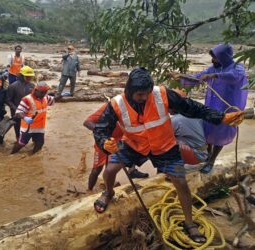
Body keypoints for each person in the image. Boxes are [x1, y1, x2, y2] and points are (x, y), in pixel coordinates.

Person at [93, 67, 244, 243]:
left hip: (164, 146)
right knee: (110, 171)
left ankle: (189, 223)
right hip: (134, 145)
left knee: (181, 182)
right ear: (129, 90)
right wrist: (104, 143)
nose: (145, 98)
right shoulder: (115, 104)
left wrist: (220, 118)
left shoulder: (162, 94)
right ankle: (108, 193)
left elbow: (192, 108)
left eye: (147, 93)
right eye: (140, 94)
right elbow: (100, 128)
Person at [171, 44, 248, 173]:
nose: (213, 61)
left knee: (221, 133)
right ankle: (208, 155)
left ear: (224, 57)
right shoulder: (213, 68)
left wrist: (215, 76)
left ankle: (212, 160)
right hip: (212, 104)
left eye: (216, 58)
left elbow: (234, 76)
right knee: (209, 131)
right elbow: (198, 78)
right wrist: (181, 77)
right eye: (212, 58)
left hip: (228, 108)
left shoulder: (237, 68)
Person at [83, 103, 148, 191]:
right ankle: (89, 190)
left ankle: (131, 171)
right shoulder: (110, 107)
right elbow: (87, 122)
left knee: (131, 150)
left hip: (120, 142)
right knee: (97, 169)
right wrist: (102, 134)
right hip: (105, 142)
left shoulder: (137, 107)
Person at [11, 82, 55, 154]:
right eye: (42, 92)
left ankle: (32, 157)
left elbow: (53, 99)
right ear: (35, 90)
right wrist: (25, 118)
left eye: (45, 92)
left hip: (40, 127)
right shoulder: (27, 99)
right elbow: (18, 112)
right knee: (21, 143)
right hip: (28, 127)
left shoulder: (45, 97)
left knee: (40, 143)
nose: (44, 94)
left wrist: (61, 95)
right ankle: (11, 154)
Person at [6, 66, 35, 140]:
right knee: (17, 126)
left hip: (28, 111)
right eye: (27, 76)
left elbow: (35, 98)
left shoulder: (32, 86)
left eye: (30, 77)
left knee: (30, 126)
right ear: (22, 76)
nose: (29, 78)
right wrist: (16, 109)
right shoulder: (13, 86)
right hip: (16, 111)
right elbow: (8, 100)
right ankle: (18, 139)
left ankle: (30, 139)